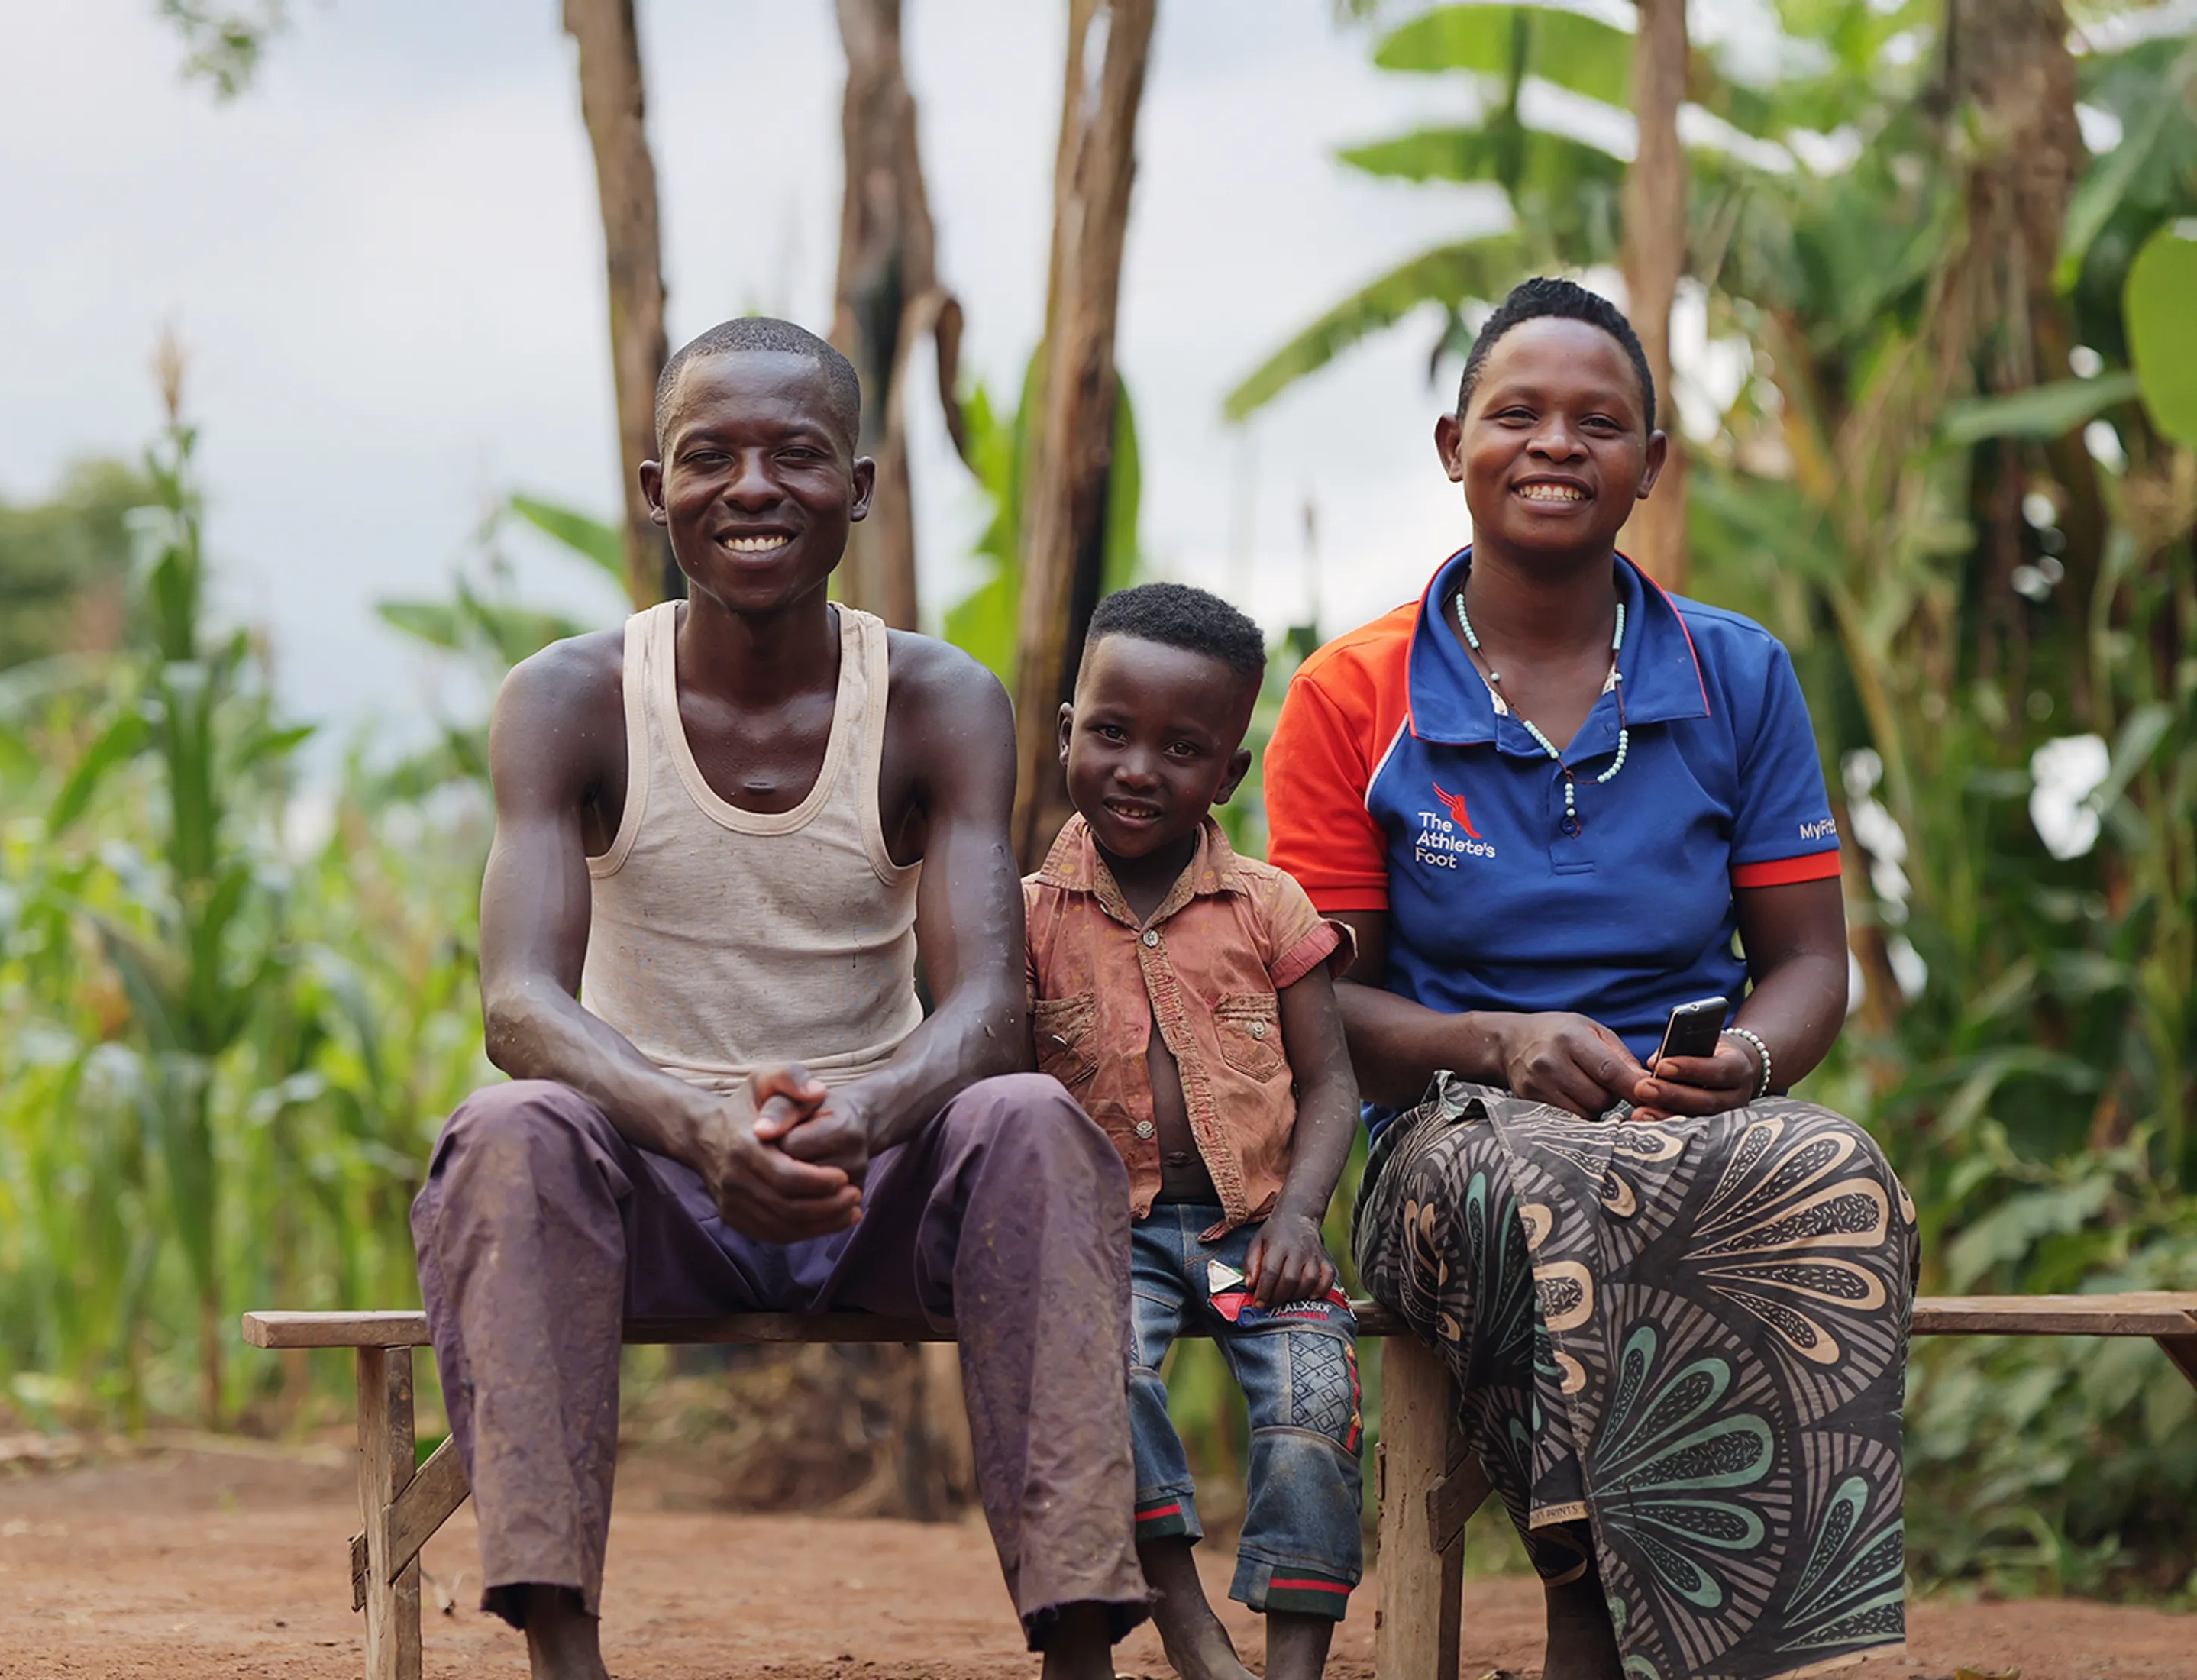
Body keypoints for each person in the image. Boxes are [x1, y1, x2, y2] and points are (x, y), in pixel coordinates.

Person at [412, 315, 1146, 1680]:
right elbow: (519, 1003)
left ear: (858, 489)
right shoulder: (571, 699)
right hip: (652, 1179)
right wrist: (697, 1131)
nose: (753, 487)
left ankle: (1079, 1651)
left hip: (871, 1177)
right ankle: (564, 1656)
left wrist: (858, 1117)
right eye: (711, 458)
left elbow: (987, 1009)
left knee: (1033, 1119)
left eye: (796, 456)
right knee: (506, 1135)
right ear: (656, 493)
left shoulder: (936, 700)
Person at [1265, 277, 1916, 1680]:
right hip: (1450, 1143)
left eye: (1599, 421)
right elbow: (1319, 1013)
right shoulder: (1350, 697)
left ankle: (1764, 1637)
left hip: (1695, 1119)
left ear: (1650, 466)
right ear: (1454, 445)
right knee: (1549, 1186)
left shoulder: (1737, 676)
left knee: (1838, 1170)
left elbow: (1807, 966)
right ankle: (1588, 1605)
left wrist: (1739, 1065)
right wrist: (1493, 1046)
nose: (1557, 442)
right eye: (1519, 414)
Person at [1023, 583, 1366, 1680]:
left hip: (1255, 1235)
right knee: (1099, 1369)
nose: (1137, 769)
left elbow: (1333, 1085)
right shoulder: (1025, 914)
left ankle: (1294, 1665)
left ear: (1227, 773)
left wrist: (1304, 1216)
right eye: (1112, 733)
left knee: (1316, 1402)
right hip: (1100, 1242)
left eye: (1181, 749)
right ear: (1068, 729)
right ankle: (1181, 1612)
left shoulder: (1272, 907)